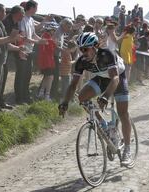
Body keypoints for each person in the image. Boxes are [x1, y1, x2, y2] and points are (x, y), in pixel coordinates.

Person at [58, 32, 134, 167]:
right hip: (102, 78)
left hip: (118, 77)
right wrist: (64, 102)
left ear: (94, 47)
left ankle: (127, 149)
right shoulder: (81, 62)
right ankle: (103, 124)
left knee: (123, 113)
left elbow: (115, 79)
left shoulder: (106, 54)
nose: (83, 52)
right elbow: (73, 85)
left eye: (85, 49)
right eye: (80, 49)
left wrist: (105, 96)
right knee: (82, 97)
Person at [0, 3, 22, 116]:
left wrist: (18, 48)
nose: (6, 13)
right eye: (5, 11)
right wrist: (11, 37)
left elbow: (5, 42)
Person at [15, 0, 47, 104]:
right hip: (22, 50)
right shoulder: (22, 19)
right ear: (32, 8)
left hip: (30, 51)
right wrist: (39, 42)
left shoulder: (31, 19)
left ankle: (26, 96)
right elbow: (23, 37)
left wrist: (42, 40)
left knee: (28, 75)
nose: (37, 10)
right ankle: (19, 98)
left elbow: (33, 35)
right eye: (36, 8)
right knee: (21, 75)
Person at [0, 5, 25, 110]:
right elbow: (5, 41)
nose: (23, 16)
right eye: (22, 14)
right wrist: (18, 49)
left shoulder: (16, 23)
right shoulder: (6, 22)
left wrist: (19, 49)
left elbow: (13, 39)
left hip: (5, 53)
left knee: (3, 77)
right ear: (17, 13)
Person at [37, 22, 58, 101]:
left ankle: (41, 93)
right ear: (49, 29)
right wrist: (55, 42)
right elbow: (50, 48)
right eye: (53, 30)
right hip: (46, 60)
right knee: (50, 77)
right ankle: (47, 95)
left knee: (46, 77)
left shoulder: (47, 36)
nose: (54, 31)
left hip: (47, 60)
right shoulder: (46, 37)